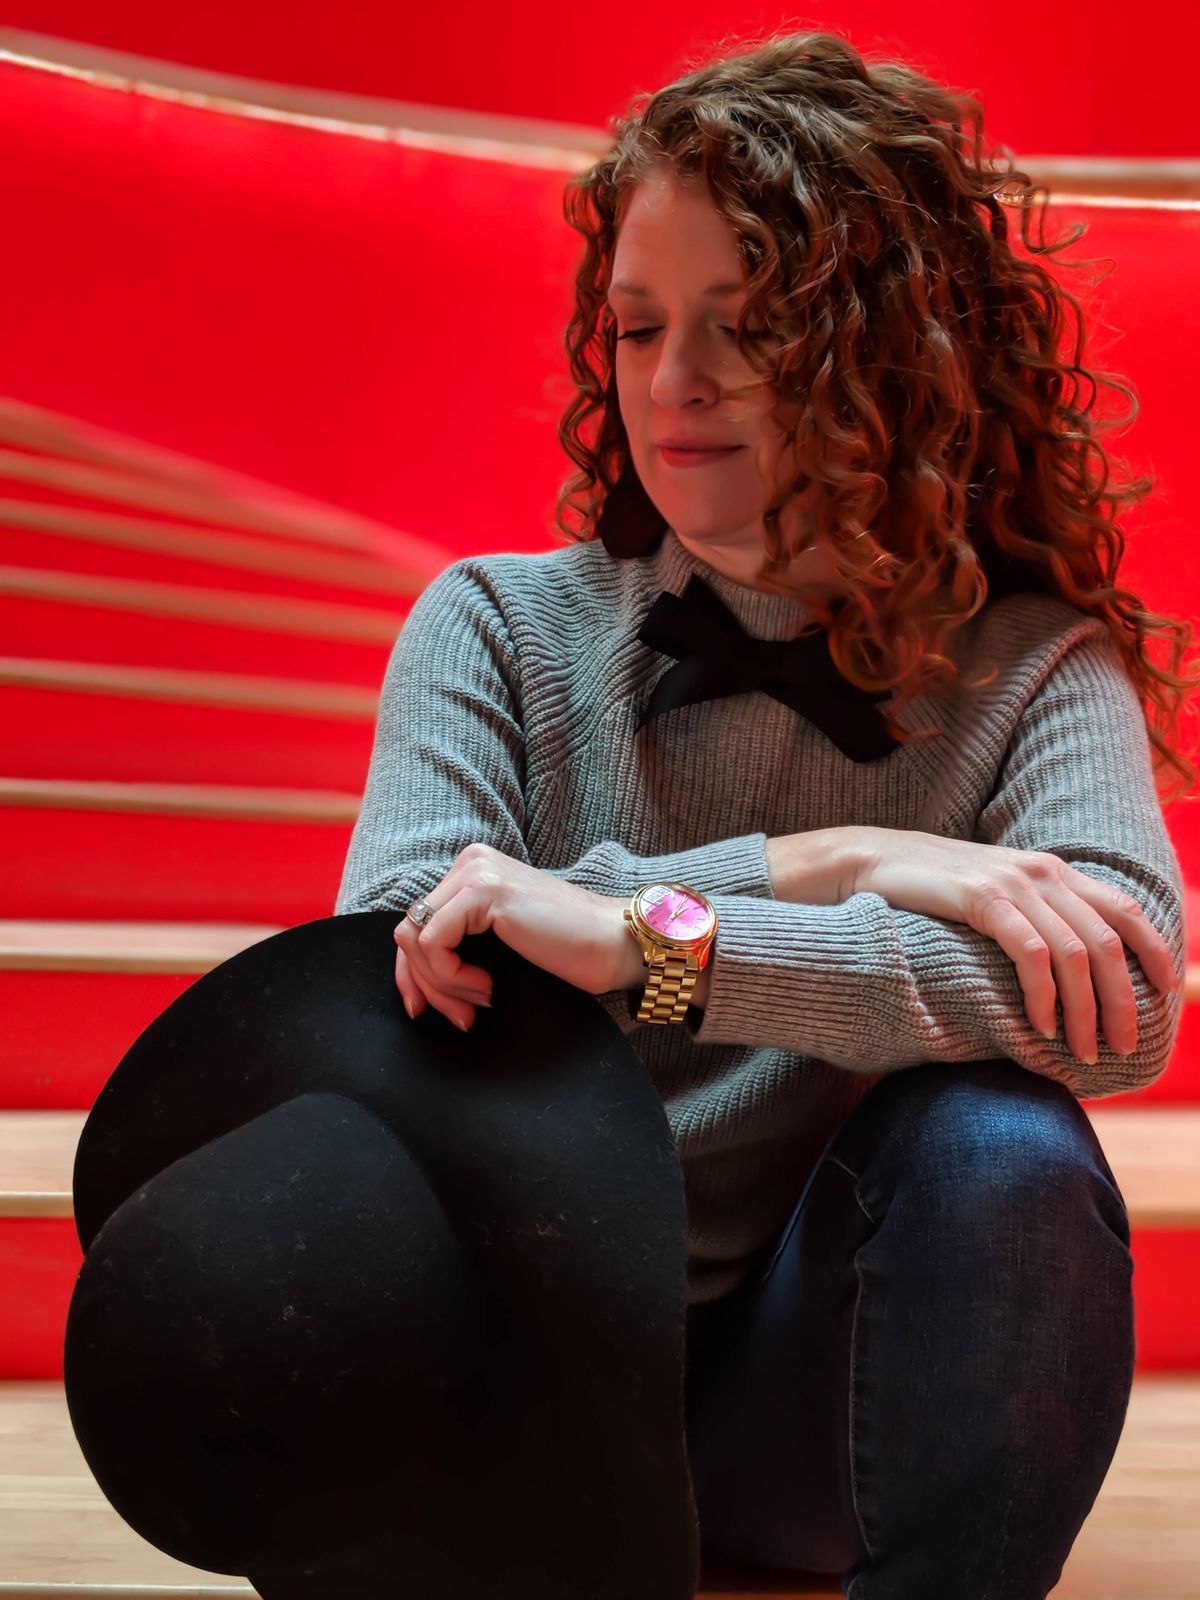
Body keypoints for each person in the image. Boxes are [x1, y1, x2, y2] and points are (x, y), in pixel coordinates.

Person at [66, 27, 1198, 1600]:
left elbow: (1114, 1004)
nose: (675, 385)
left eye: (745, 326)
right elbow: (398, 984)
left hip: (805, 1405)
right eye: (639, 325)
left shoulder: (1034, 670)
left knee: (1005, 1147)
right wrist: (834, 859)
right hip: (504, 1385)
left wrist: (656, 943)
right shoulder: (489, 628)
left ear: (893, 349)